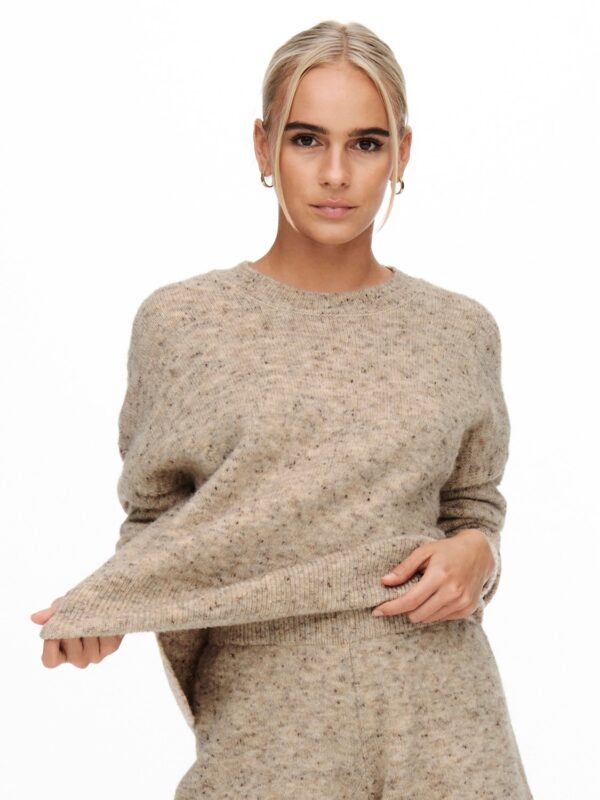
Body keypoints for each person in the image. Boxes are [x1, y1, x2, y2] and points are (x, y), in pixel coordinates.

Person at [32, 19, 534, 800]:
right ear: (264, 146)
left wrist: (480, 555)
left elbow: (473, 505)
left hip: (448, 723)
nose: (335, 173)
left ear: (402, 154)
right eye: (307, 139)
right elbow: (159, 522)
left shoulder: (459, 331)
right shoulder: (183, 324)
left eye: (366, 144)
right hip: (267, 728)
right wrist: (115, 602)